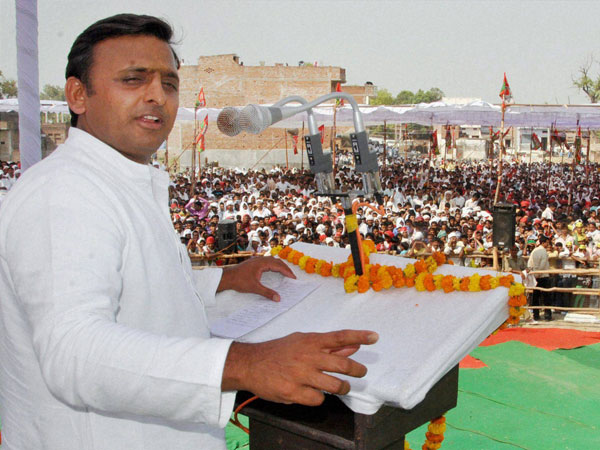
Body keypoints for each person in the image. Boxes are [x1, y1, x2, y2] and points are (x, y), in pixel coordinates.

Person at [0, 14, 378, 449]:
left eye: (169, 83)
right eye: (133, 79)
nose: (157, 96)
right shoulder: (63, 193)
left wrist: (223, 279)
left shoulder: (117, 179)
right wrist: (245, 364)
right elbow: (74, 354)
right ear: (78, 95)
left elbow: (134, 281)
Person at [527, 235, 552, 321]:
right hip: (542, 276)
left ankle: (536, 315)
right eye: (547, 243)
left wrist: (534, 274)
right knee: (546, 296)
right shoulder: (543, 251)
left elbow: (530, 263)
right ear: (543, 243)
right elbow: (542, 265)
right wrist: (538, 274)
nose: (548, 244)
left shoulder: (534, 250)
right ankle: (547, 315)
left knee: (536, 296)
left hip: (535, 275)